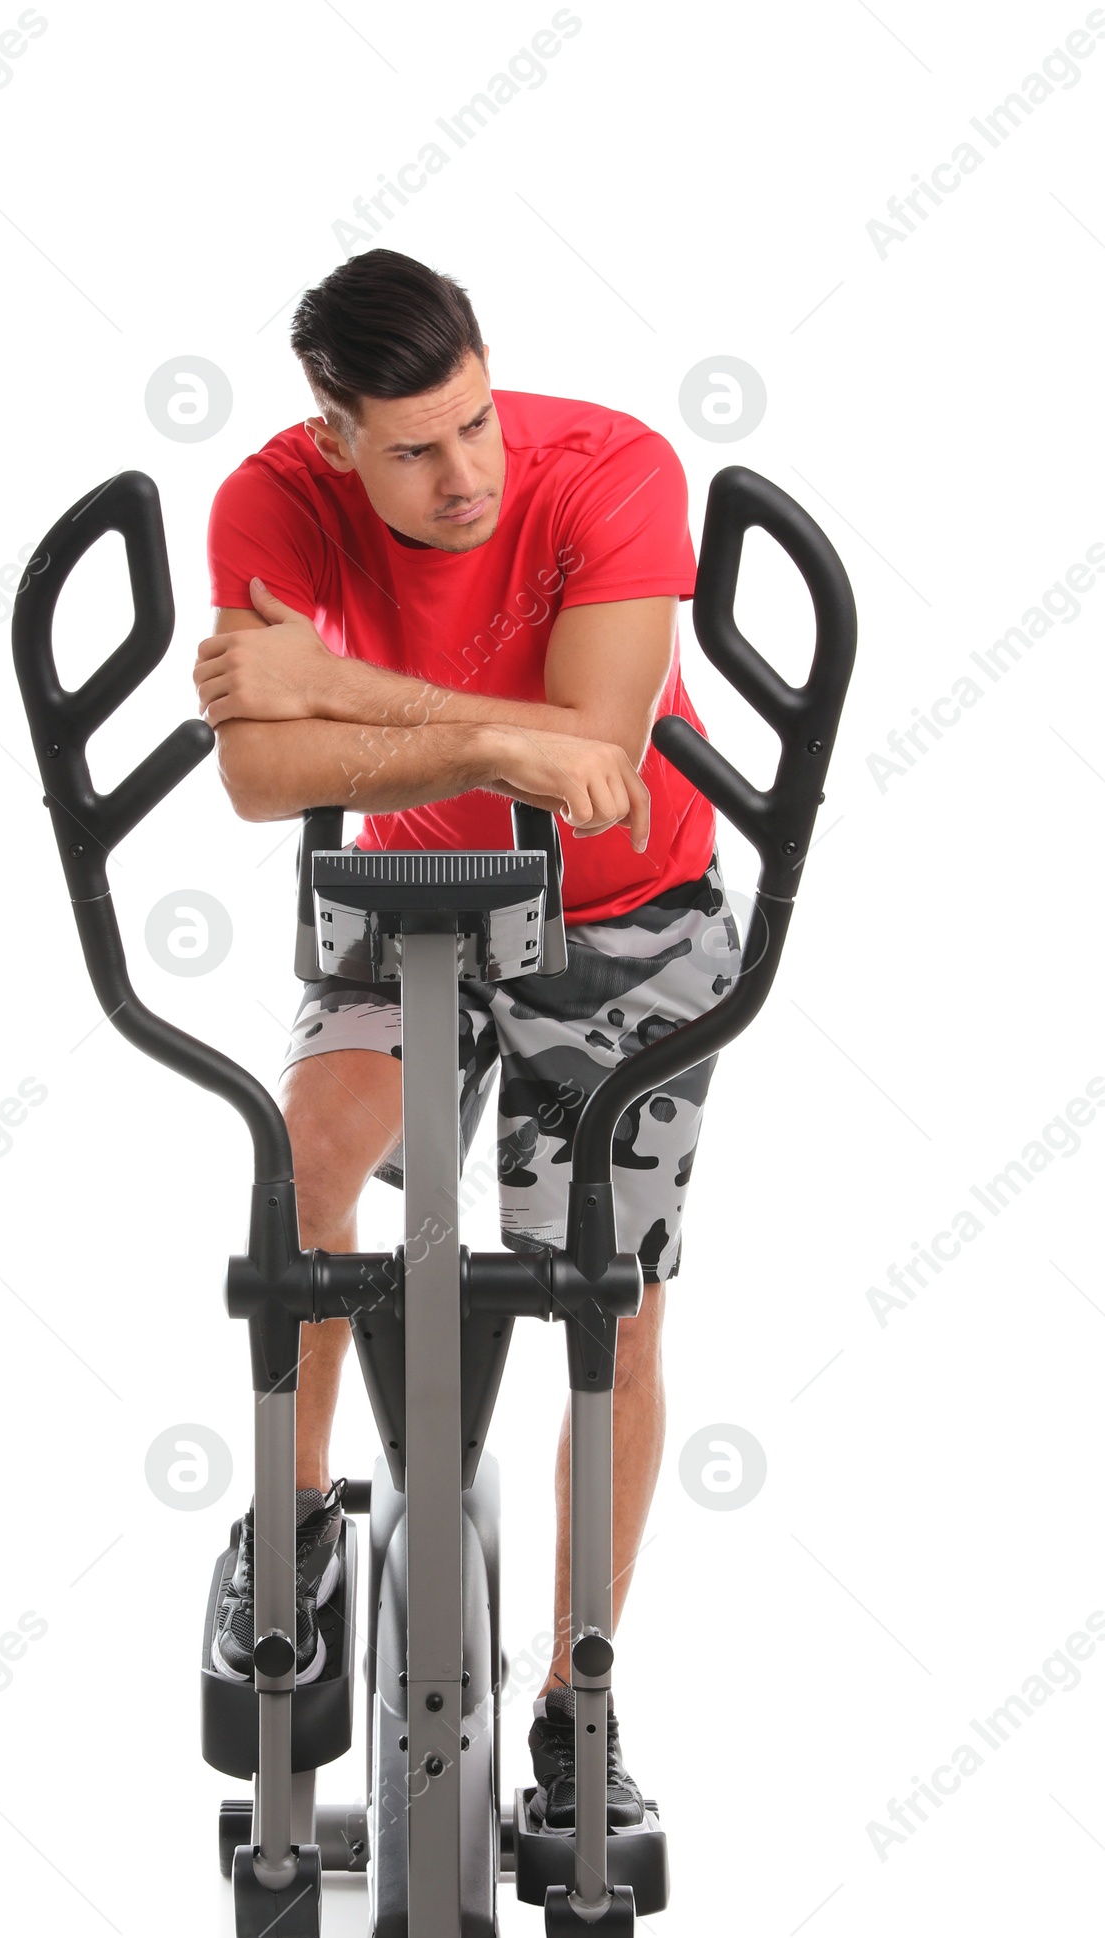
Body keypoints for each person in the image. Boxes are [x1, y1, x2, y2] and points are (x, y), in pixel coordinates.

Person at [196, 248, 738, 1830]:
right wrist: (490, 732)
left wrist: (339, 693)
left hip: (624, 913)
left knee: (603, 1302)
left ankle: (579, 1702)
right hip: (414, 885)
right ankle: (291, 1536)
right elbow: (256, 776)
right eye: (414, 447)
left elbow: (600, 765)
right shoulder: (270, 504)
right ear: (331, 433)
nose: (463, 478)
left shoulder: (610, 468)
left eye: (477, 423)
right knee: (307, 1178)